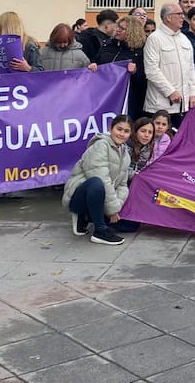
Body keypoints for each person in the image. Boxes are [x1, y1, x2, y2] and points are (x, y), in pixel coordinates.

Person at [63, 115, 133, 245]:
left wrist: (116, 207)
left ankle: (84, 218)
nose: (122, 134)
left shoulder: (125, 155)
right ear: (110, 128)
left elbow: (122, 185)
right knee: (97, 182)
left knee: (131, 225)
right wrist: (112, 210)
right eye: (119, 129)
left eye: (126, 131)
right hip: (80, 196)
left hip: (101, 200)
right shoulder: (100, 145)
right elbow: (102, 178)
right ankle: (99, 231)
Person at [144, 3, 195, 128]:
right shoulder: (155, 38)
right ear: (168, 17)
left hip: (182, 106)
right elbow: (151, 70)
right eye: (179, 14)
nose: (182, 18)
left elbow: (190, 69)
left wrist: (192, 94)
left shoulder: (184, 39)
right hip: (160, 105)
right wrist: (170, 92)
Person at [111, 117, 158, 233]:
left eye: (150, 132)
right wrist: (137, 175)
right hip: (119, 183)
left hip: (133, 182)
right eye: (143, 131)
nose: (146, 135)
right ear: (135, 131)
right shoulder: (126, 146)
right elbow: (120, 171)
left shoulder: (148, 148)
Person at [97, 17, 147, 119]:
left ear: (132, 32)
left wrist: (135, 72)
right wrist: (93, 65)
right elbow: (97, 62)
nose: (118, 30)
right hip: (105, 96)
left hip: (128, 101)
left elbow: (145, 80)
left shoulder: (140, 52)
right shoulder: (108, 45)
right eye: (118, 26)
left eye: (123, 29)